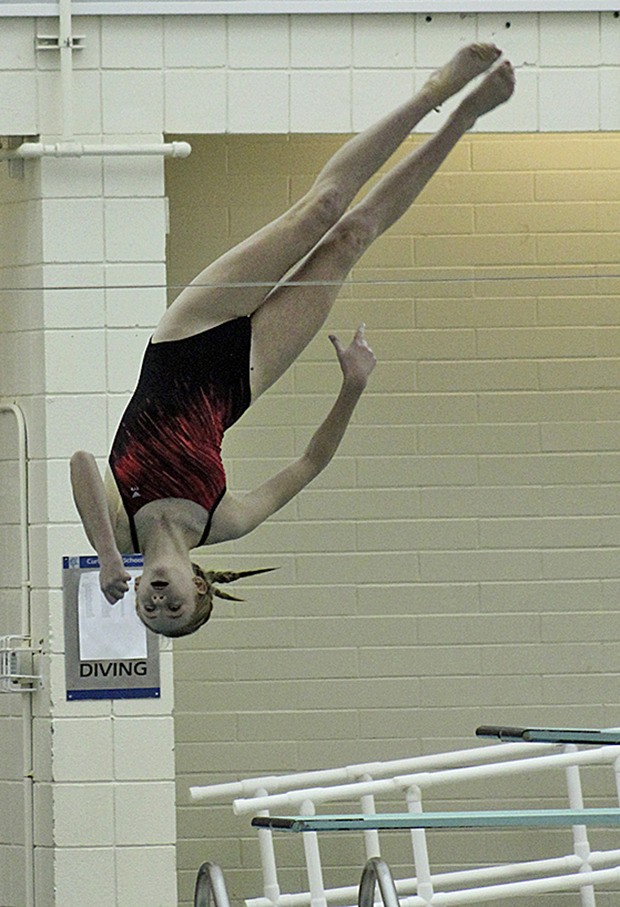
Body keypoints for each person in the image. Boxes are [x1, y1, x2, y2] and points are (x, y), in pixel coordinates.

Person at [70, 43, 515, 638]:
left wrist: (103, 553)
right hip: (243, 376)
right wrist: (352, 387)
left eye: (151, 614)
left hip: (185, 337)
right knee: (348, 234)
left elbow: (78, 463)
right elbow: (310, 463)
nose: (158, 604)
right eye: (175, 610)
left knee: (318, 210)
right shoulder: (223, 522)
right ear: (198, 585)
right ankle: (457, 114)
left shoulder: (119, 531)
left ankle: (434, 95)